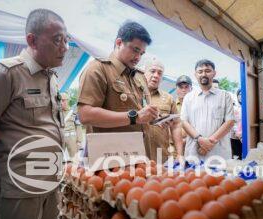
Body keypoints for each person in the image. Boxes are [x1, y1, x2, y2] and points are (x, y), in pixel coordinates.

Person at [0, 9, 68, 219]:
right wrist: (0, 168)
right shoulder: (6, 73)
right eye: (58, 40)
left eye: (66, 40)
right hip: (18, 186)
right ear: (32, 40)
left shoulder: (51, 77)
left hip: (51, 181)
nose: (65, 48)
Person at [77, 22, 158, 158]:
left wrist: (153, 117)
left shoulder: (139, 76)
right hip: (111, 159)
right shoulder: (98, 69)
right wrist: (135, 117)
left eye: (142, 53)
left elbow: (141, 111)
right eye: (135, 50)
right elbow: (85, 115)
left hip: (140, 154)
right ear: (119, 42)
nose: (138, 57)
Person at [181, 59, 235, 160]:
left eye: (207, 71)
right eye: (200, 71)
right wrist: (200, 140)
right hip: (194, 151)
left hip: (219, 152)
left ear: (214, 73)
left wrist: (209, 143)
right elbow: (184, 122)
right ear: (195, 74)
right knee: (193, 175)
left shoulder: (224, 96)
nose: (203, 74)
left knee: (220, 176)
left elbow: (230, 122)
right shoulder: (188, 97)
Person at [144, 59, 183, 162]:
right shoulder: (133, 94)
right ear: (144, 72)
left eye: (160, 73)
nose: (156, 75)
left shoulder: (169, 98)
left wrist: (179, 154)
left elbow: (176, 125)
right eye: (152, 71)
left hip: (161, 156)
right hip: (136, 156)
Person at [61, 92, 83, 158]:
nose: (61, 103)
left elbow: (78, 126)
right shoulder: (57, 113)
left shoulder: (73, 112)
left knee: (74, 159)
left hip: (72, 138)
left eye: (63, 100)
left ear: (67, 101)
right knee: (58, 158)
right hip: (61, 138)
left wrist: (79, 141)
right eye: (60, 100)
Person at [175, 75, 192, 147]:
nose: (183, 90)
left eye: (186, 87)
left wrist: (187, 140)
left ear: (191, 89)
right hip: (173, 145)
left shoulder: (196, 107)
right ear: (176, 89)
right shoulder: (171, 105)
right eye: (181, 87)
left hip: (191, 144)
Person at [230, 89, 242, 159]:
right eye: (239, 95)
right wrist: (237, 133)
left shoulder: (250, 108)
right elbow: (232, 122)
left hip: (246, 137)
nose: (241, 96)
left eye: (243, 94)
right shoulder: (234, 108)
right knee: (236, 157)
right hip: (235, 137)